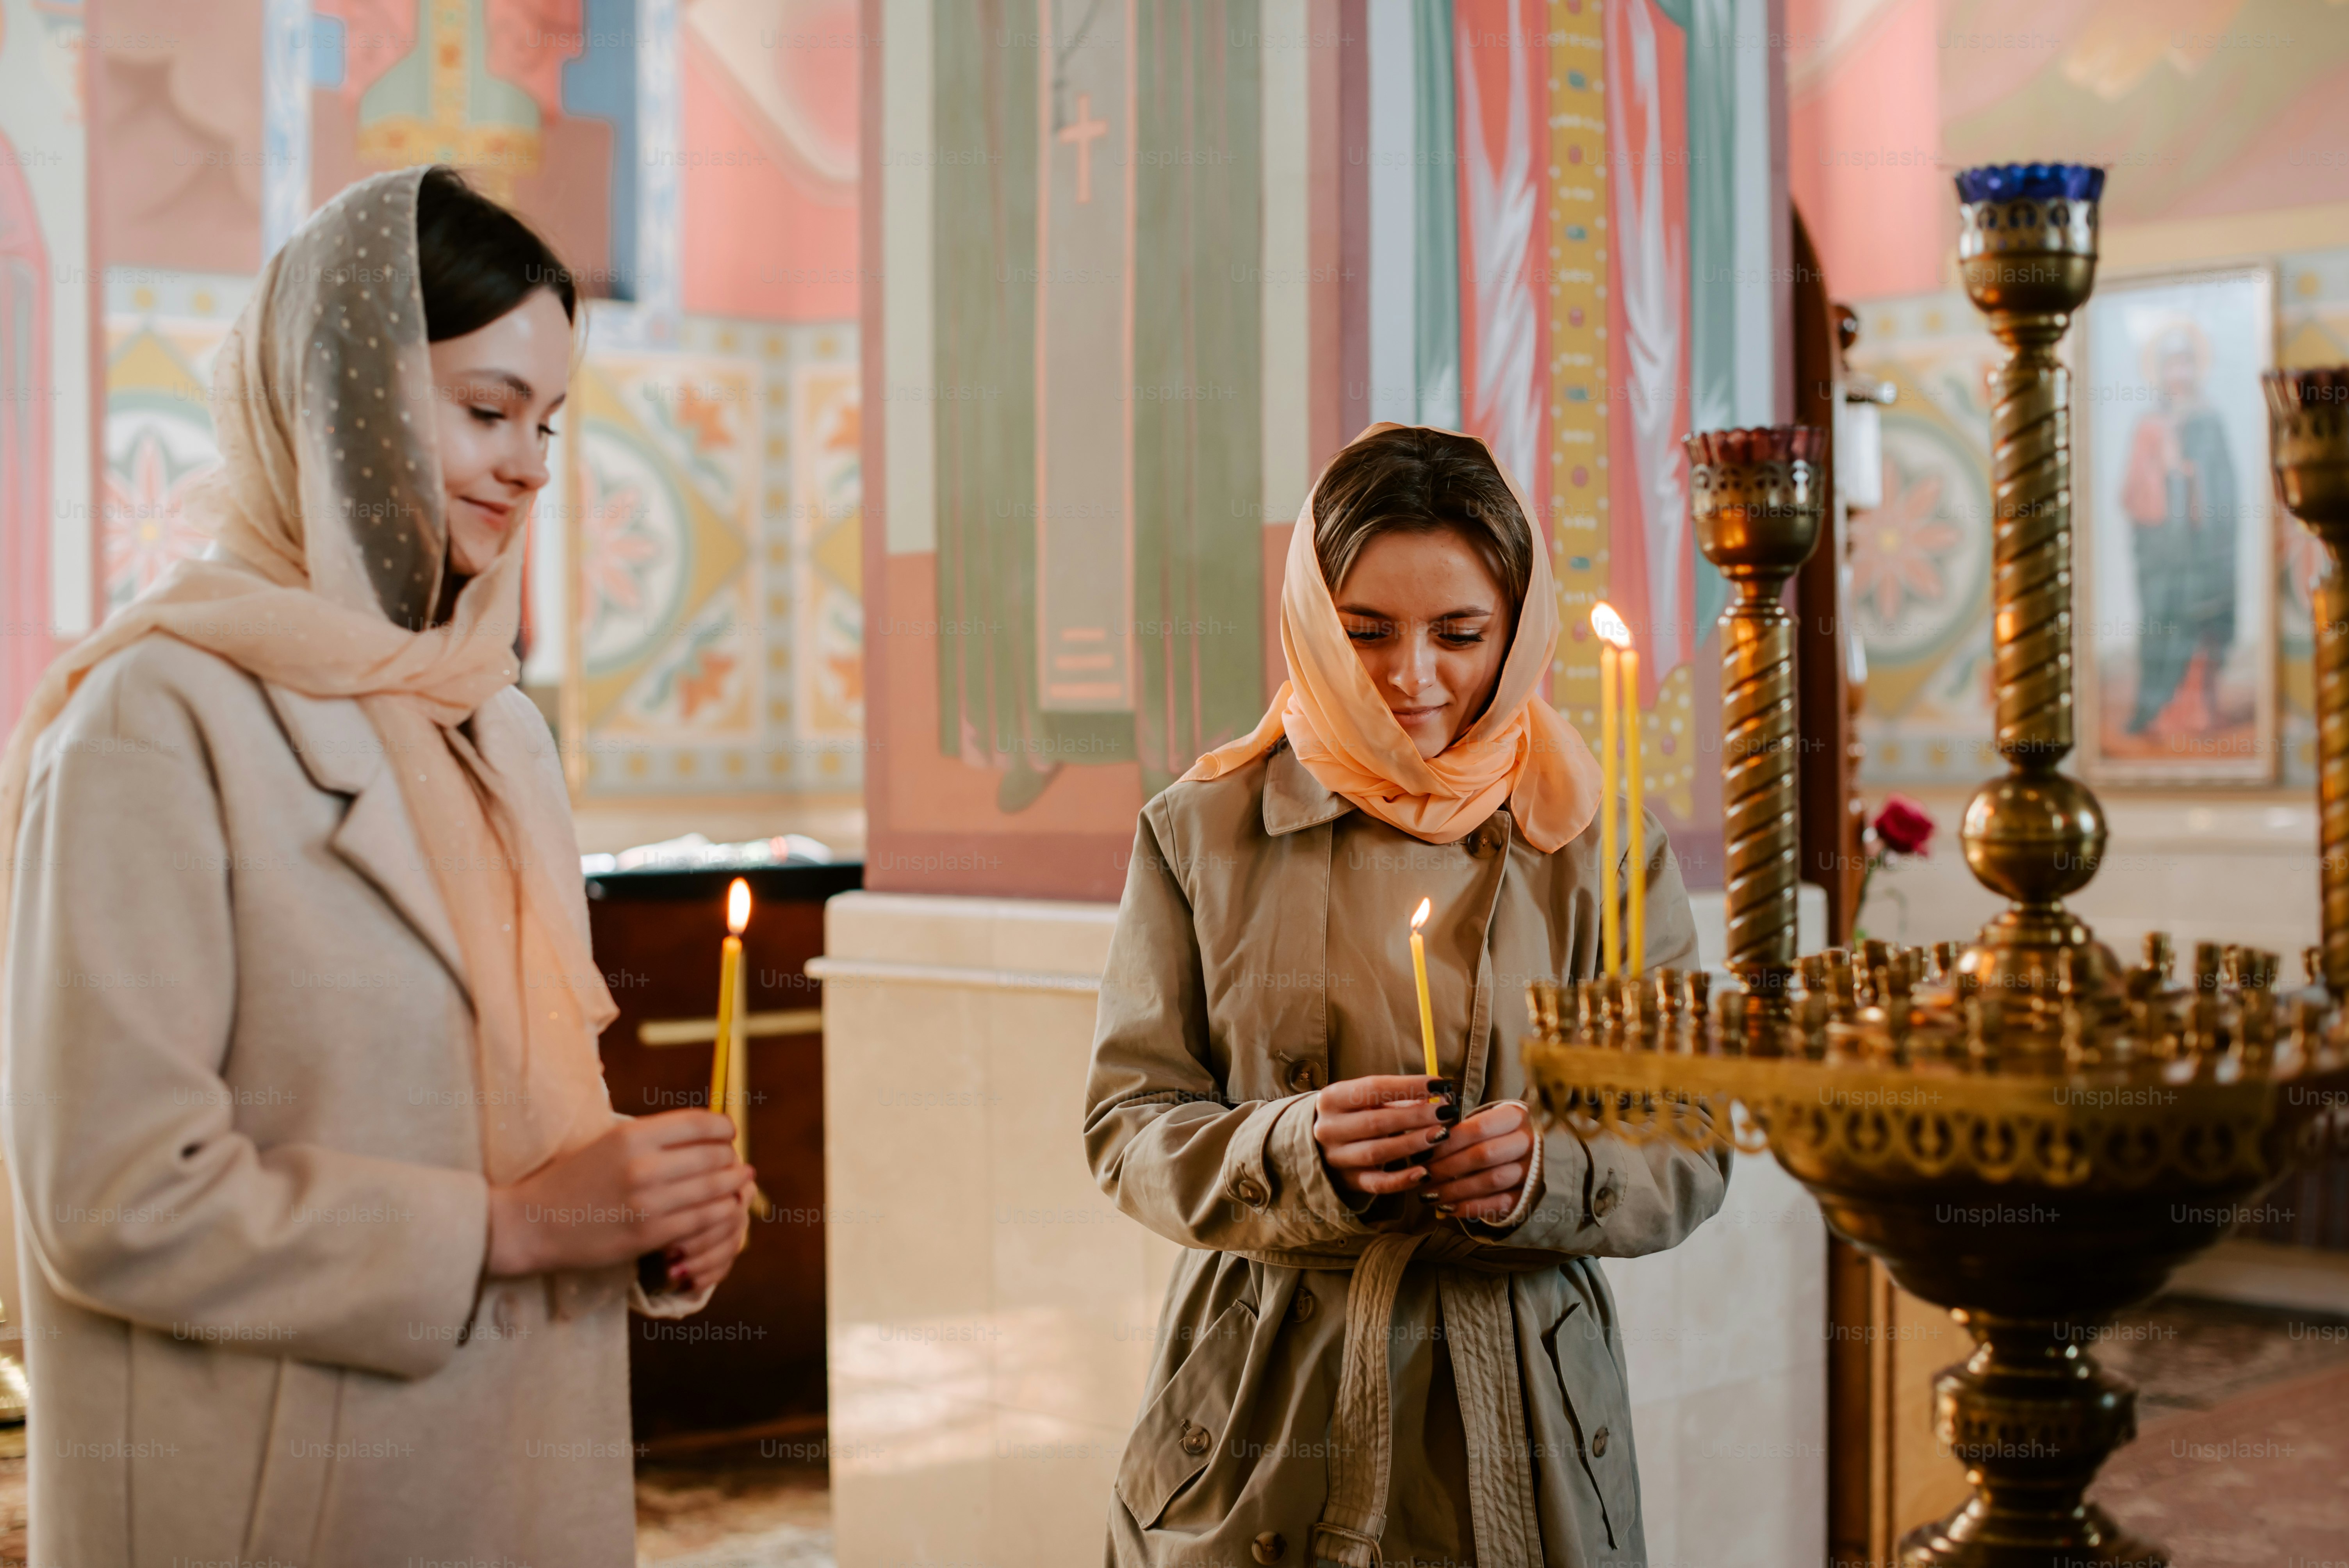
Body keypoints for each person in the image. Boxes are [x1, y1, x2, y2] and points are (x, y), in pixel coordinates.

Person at [0, 166, 753, 1565]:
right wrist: (515, 1230)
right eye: (484, 410)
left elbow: (515, 1129)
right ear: (335, 404)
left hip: (514, 1483)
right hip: (274, 1502)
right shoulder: (153, 720)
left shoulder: (490, 718)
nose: (529, 463)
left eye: (548, 421)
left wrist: (637, 1215)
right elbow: (108, 1202)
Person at [1085, 424, 1729, 1567]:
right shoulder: (1202, 830)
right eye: (1365, 632)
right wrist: (1289, 1147)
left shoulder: (1599, 847)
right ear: (1308, 624)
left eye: (1461, 634)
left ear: (1516, 630)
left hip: (1520, 1393)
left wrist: (1548, 1172)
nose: (1413, 676)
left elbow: (1688, 1138)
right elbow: (1125, 1127)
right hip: (1260, 1399)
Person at [2121, 322, 2238, 736]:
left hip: (2202, 547)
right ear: (2161, 373)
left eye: (2186, 365)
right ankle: (2156, 710)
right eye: (2171, 366)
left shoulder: (2210, 423)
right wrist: (2164, 470)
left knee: (2201, 620)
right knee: (2161, 622)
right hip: (2161, 550)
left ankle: (2197, 713)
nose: (2180, 375)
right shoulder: (2148, 425)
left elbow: (2226, 487)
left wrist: (2192, 477)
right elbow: (2132, 490)